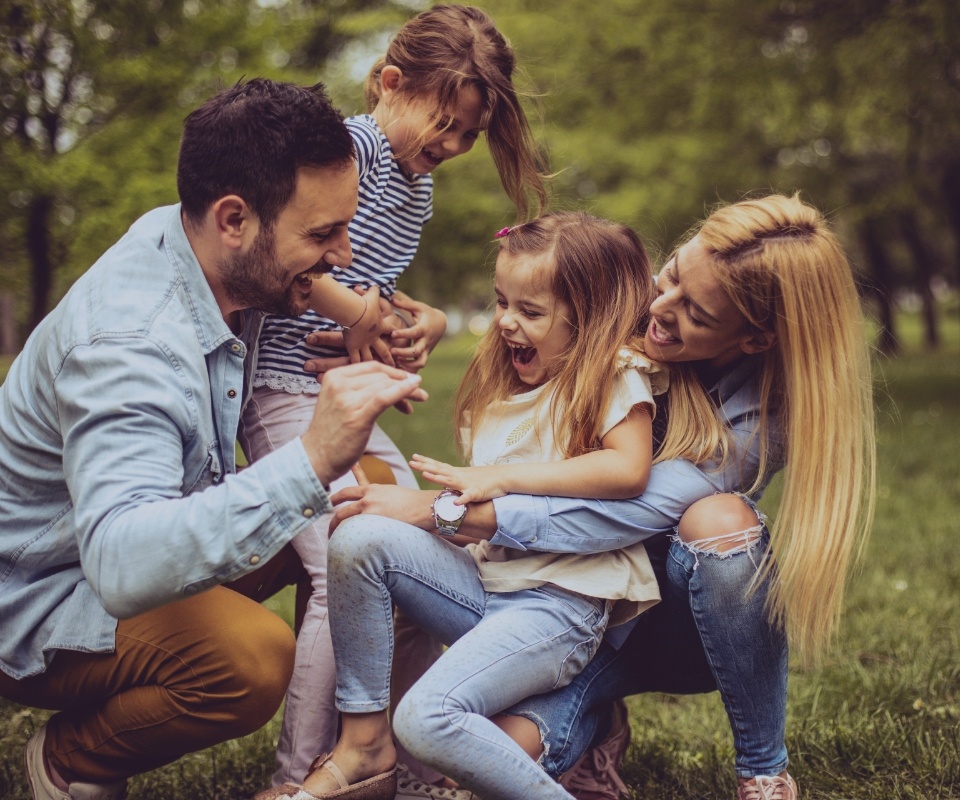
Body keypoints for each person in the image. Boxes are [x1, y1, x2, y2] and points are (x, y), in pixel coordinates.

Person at [327, 194, 877, 800]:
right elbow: (530, 300)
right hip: (563, 599)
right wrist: (419, 320)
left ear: (755, 339)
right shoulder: (620, 305)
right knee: (493, 757)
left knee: (720, 521)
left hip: (659, 622)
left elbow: (621, 510)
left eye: (693, 311)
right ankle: (593, 722)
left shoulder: (760, 421)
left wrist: (446, 511)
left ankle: (763, 769)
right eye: (669, 275)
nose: (659, 307)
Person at [0, 78, 428, 800]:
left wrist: (374, 320)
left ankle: (352, 762)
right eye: (323, 234)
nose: (343, 254)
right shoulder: (130, 344)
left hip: (108, 559)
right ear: (234, 219)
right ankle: (72, 759)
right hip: (42, 597)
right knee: (250, 658)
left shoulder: (206, 250)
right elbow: (124, 565)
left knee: (370, 506)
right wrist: (311, 458)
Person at [239, 4, 549, 793]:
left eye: (467, 137)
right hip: (285, 389)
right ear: (389, 84)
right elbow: (292, 267)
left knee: (413, 557)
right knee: (337, 564)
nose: (450, 146)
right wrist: (361, 315)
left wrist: (422, 318)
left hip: (350, 396)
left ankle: (400, 760)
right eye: (442, 123)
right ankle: (299, 774)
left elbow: (366, 280)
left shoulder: (415, 190)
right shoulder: (348, 150)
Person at [256, 211, 665, 800]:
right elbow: (481, 529)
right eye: (502, 303)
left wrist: (498, 478)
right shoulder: (509, 391)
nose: (506, 323)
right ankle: (364, 745)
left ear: (590, 316)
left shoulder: (611, 375)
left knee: (426, 719)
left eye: (530, 312)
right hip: (488, 587)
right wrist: (432, 511)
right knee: (356, 533)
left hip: (558, 610)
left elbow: (628, 469)